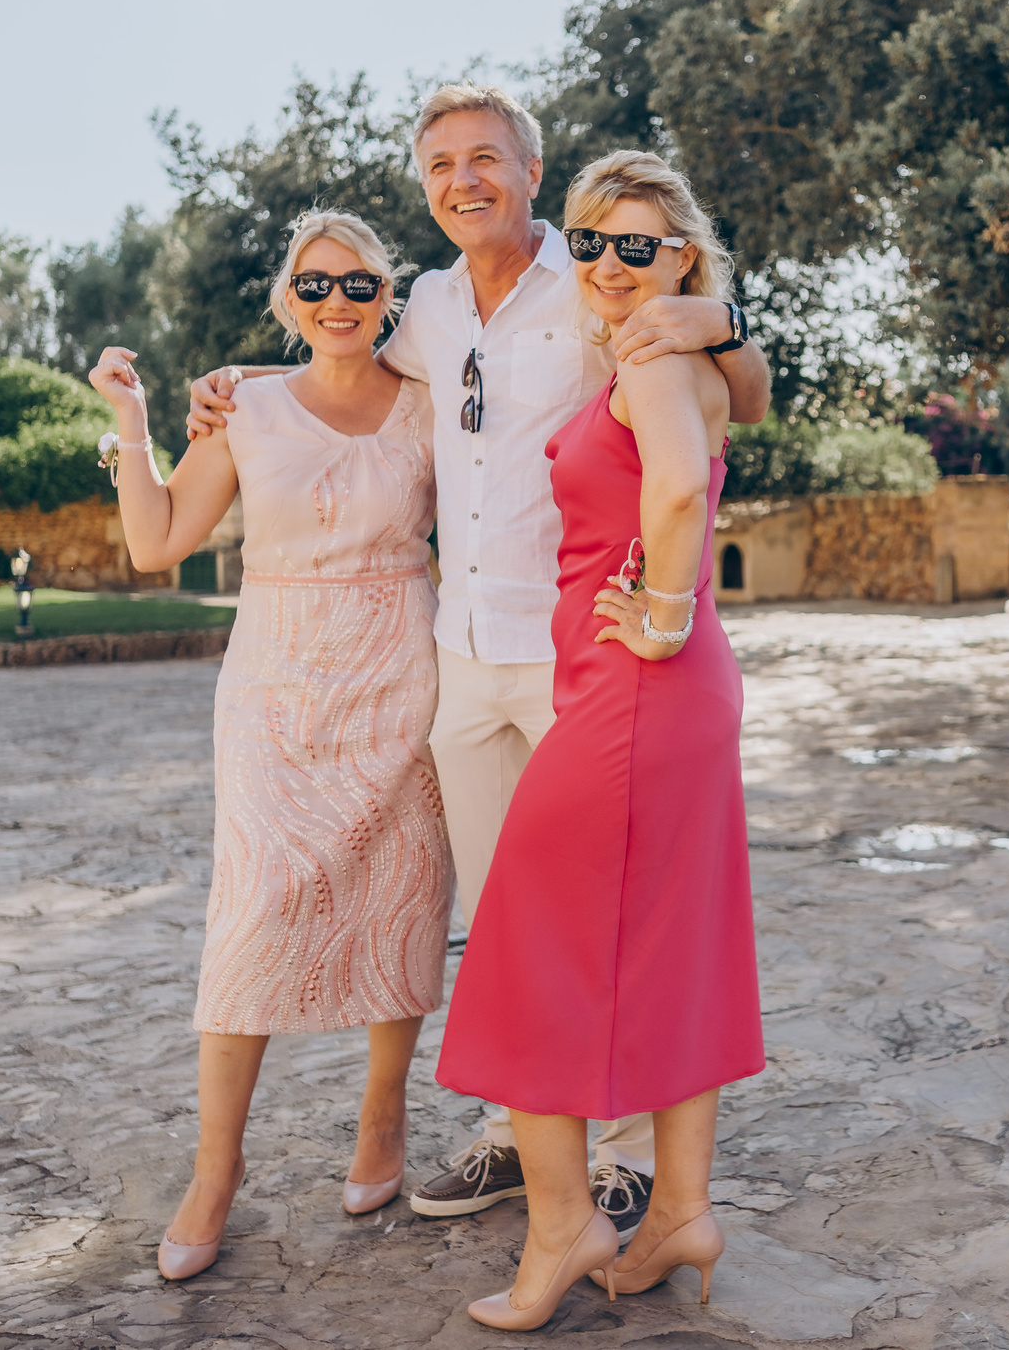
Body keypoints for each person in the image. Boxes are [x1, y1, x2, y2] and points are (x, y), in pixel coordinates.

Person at [180, 85, 770, 1239]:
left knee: (614, 904)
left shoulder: (602, 278)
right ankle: (515, 1136)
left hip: (582, 657)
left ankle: (628, 1157)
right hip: (458, 658)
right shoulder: (428, 311)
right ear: (426, 186)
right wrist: (234, 384)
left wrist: (723, 324)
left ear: (530, 171)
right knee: (505, 916)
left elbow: (732, 403)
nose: (465, 180)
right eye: (442, 163)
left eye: (486, 158)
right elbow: (334, 345)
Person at [90, 210, 452, 1282]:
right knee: (250, 919)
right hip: (276, 690)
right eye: (314, 284)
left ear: (389, 295)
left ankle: (383, 1119)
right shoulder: (243, 406)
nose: (337, 301)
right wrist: (134, 420)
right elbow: (157, 542)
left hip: (402, 676)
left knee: (405, 895)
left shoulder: (435, 408)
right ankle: (217, 1170)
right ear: (285, 299)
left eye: (359, 284)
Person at [437, 150, 762, 1330]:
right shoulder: (688, 346)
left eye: (638, 245)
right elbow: (738, 410)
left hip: (638, 692)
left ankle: (564, 1222)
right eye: (591, 243)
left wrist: (663, 617)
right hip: (651, 697)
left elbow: (676, 484)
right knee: (673, 945)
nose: (609, 265)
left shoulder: (654, 353)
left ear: (679, 252)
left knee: (523, 947)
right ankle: (677, 1213)